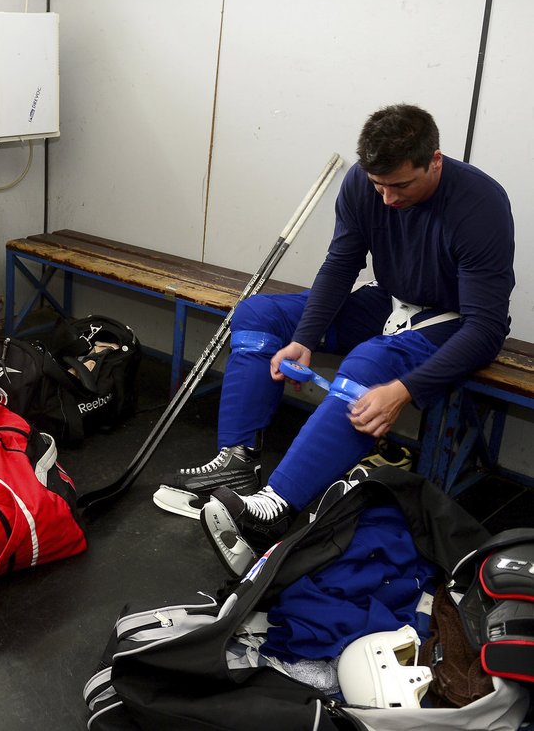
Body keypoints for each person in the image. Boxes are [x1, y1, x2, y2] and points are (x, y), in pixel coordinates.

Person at [152, 104, 515, 575]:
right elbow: (342, 264)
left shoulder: (480, 204)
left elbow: (485, 329)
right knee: (257, 314)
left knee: (367, 365)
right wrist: (304, 339)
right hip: (388, 300)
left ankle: (273, 509)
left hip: (453, 321)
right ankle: (236, 459)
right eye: (378, 184)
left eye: (401, 185)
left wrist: (404, 391)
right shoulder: (364, 186)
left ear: (436, 161)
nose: (386, 198)